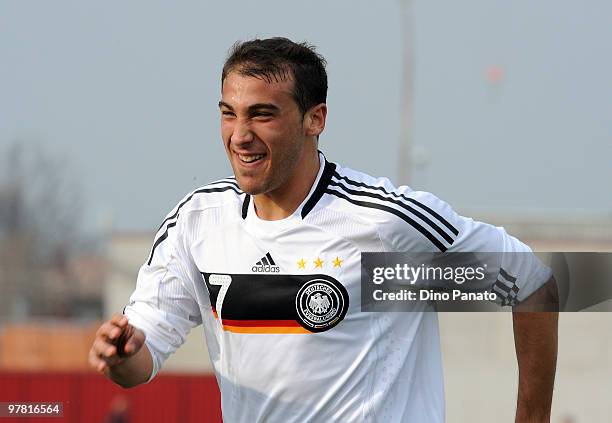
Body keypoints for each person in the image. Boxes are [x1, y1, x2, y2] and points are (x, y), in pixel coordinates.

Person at [89, 37, 558, 422]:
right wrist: (120, 355)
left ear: (316, 119)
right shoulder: (199, 222)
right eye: (229, 113)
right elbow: (139, 361)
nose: (239, 135)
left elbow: (531, 282)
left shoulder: (382, 224)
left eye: (262, 114)